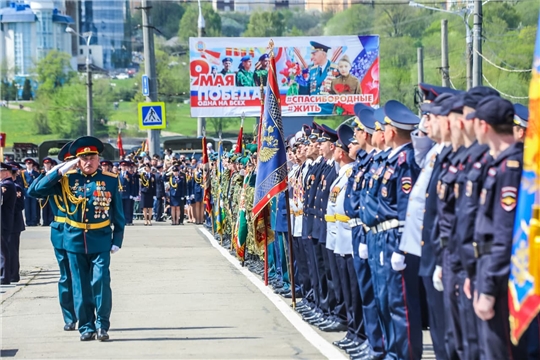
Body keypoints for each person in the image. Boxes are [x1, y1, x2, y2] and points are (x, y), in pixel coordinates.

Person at [31, 136, 125, 342]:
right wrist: (59, 170)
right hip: (73, 240)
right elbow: (34, 191)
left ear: (99, 159)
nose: (88, 162)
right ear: (77, 160)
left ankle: (102, 324)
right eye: (84, 158)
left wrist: (118, 238)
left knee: (100, 282)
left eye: (92, 157)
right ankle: (86, 327)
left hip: (100, 239)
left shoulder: (110, 179)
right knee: (80, 286)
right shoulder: (66, 178)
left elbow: (118, 213)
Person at [466, 96, 528, 359]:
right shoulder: (496, 164)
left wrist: (489, 289)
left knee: (499, 350)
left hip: (501, 276)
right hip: (485, 267)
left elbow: (504, 236)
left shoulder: (510, 167)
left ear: (485, 125)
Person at [27, 141, 77, 331]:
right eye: (71, 162)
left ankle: (87, 315)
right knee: (66, 276)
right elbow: (32, 191)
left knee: (85, 276)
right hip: (61, 231)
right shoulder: (55, 181)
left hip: (83, 231)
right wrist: (52, 172)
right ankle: (69, 317)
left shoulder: (87, 179)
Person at [8, 162, 25, 283]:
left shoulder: (16, 187)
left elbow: (19, 206)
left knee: (12, 250)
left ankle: (13, 274)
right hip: (5, 223)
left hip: (13, 223)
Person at [1, 162, 17, 285]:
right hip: (4, 221)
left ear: (5, 172)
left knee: (3, 251)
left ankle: (4, 276)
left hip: (4, 221)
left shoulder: (7, 185)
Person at [21, 158, 39, 226]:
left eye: (30, 164)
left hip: (33, 193)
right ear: (25, 165)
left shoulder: (36, 173)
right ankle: (28, 221)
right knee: (27, 208)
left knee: (33, 208)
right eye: (27, 164)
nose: (29, 165)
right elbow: (21, 184)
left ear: (32, 165)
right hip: (26, 192)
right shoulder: (23, 174)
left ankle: (33, 221)